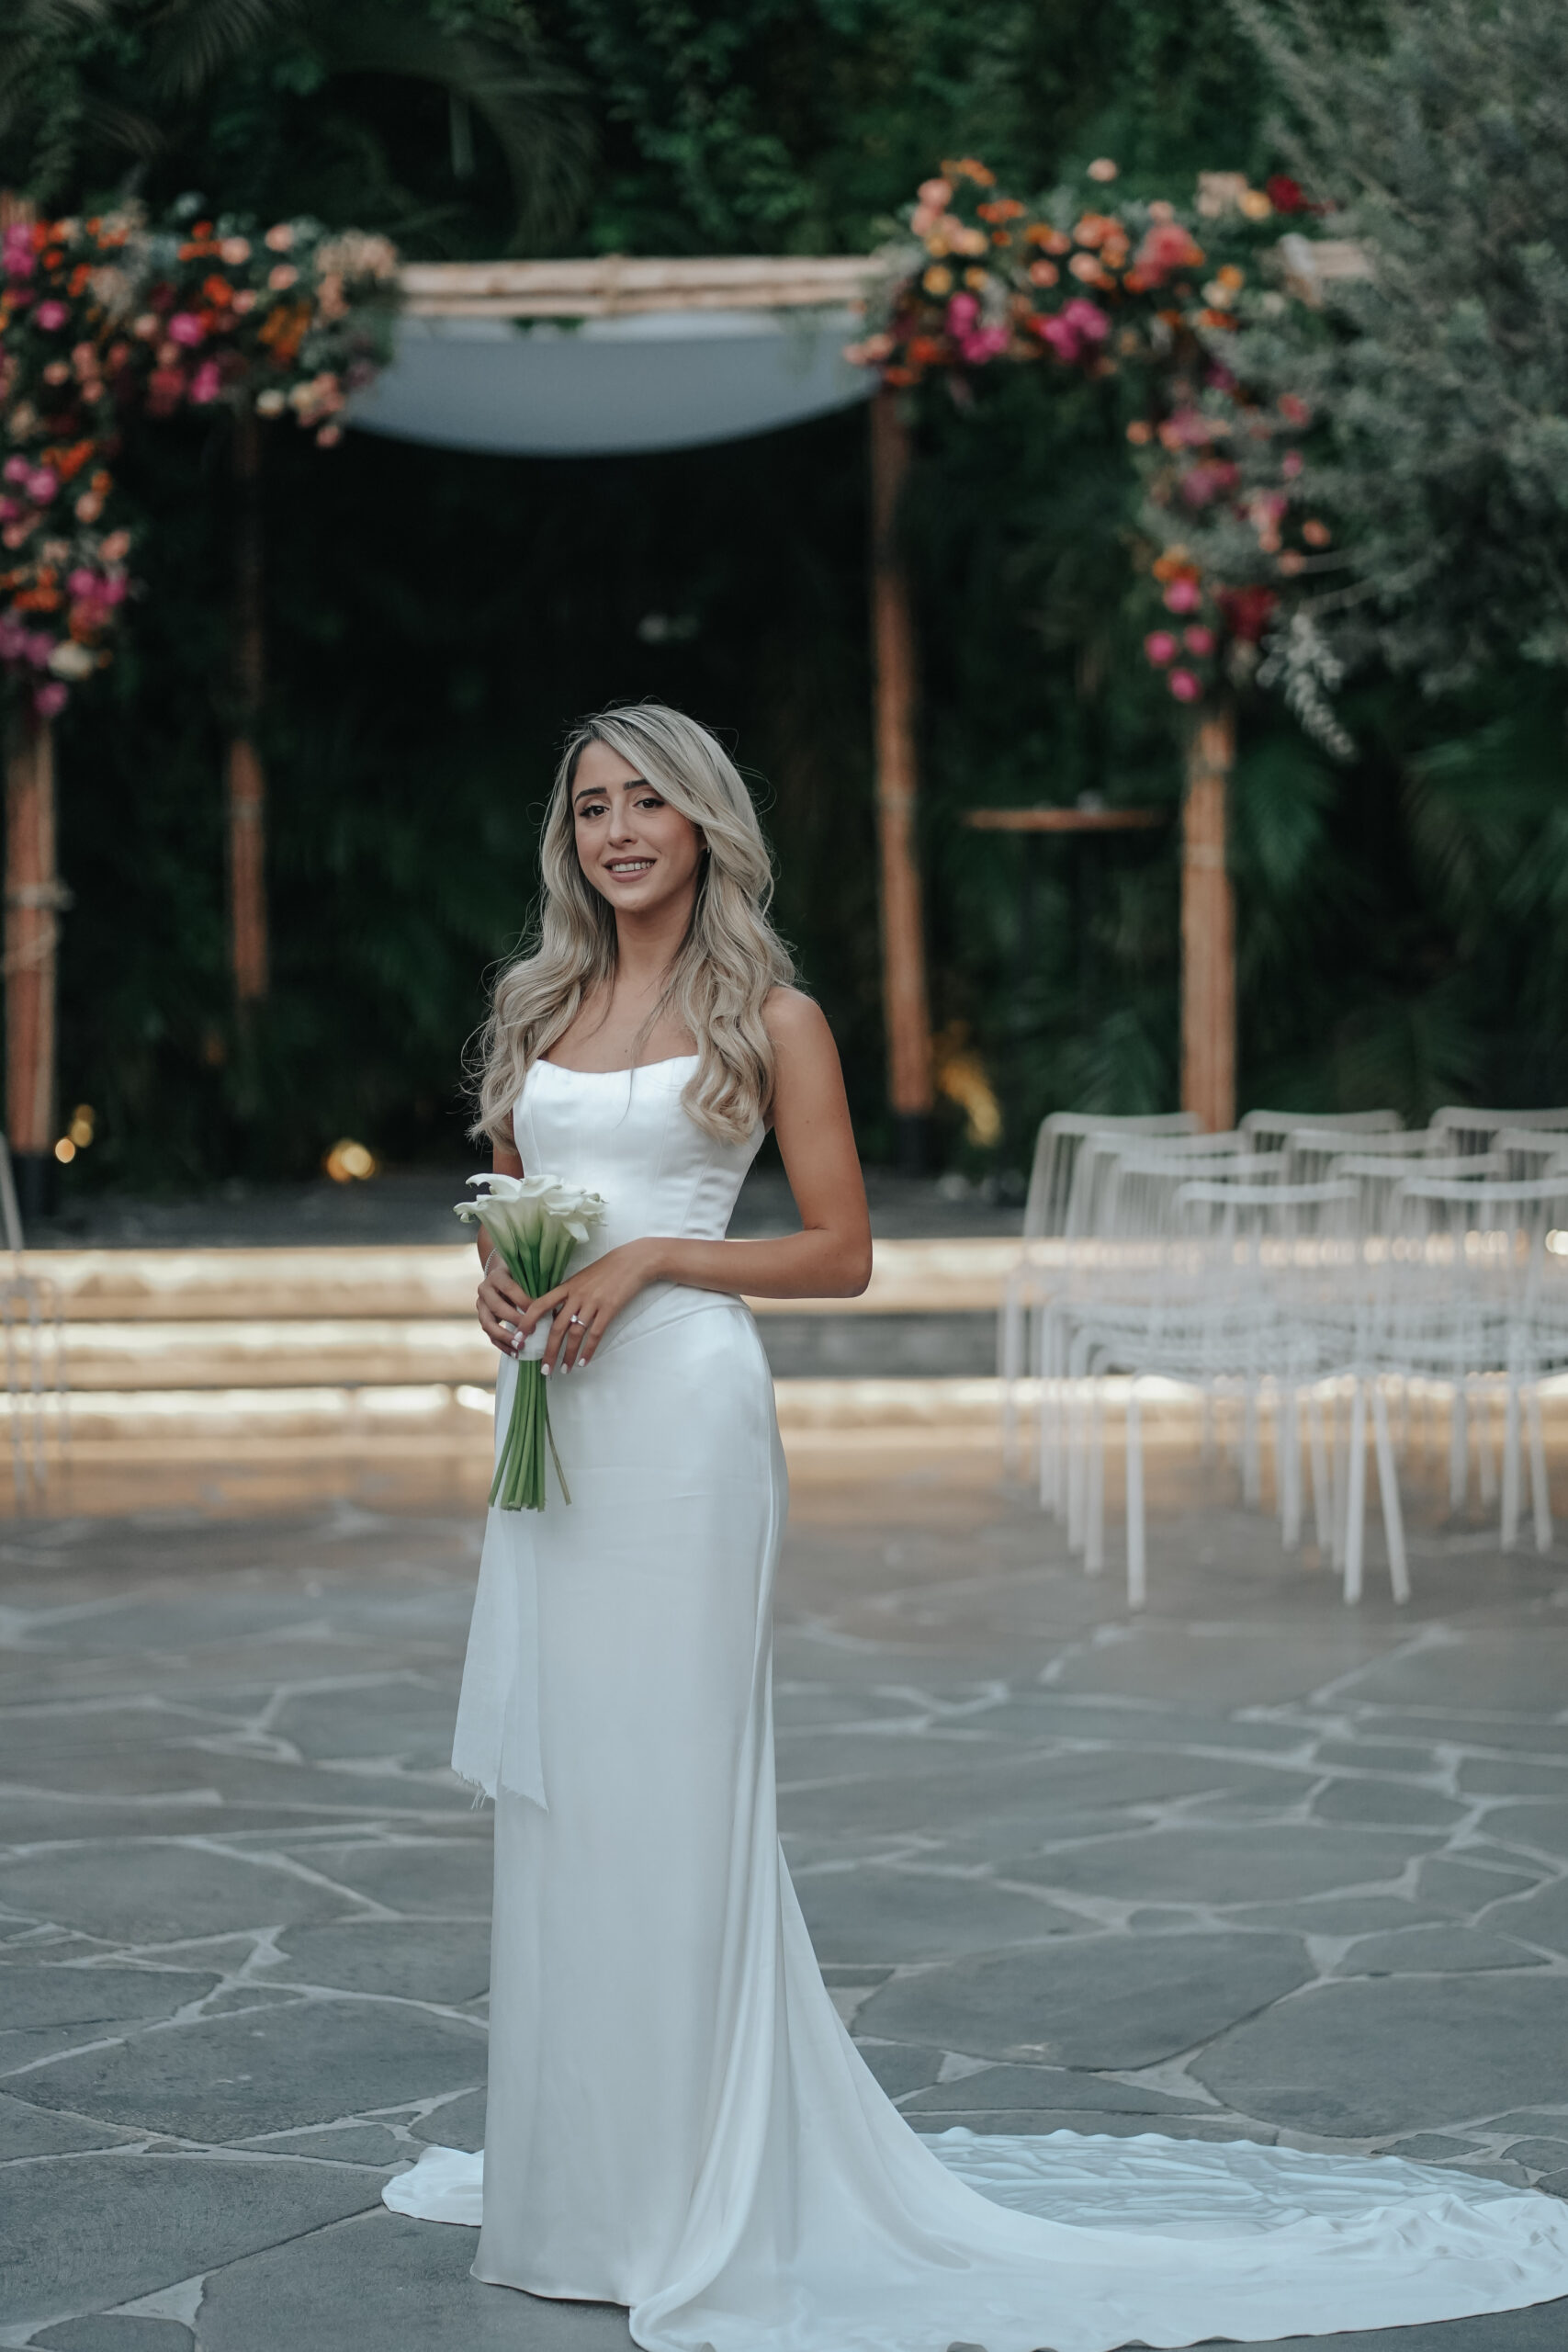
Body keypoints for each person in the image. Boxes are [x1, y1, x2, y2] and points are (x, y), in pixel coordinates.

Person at [386, 704, 1568, 2351]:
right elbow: (512, 1215)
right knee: (569, 1791)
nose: (621, 830)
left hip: (686, 1423)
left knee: (675, 1787)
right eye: (593, 806)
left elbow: (841, 1252)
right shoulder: (538, 1007)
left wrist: (650, 1259)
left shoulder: (771, 1016)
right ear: (567, 837)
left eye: (650, 799)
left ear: (707, 824)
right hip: (560, 1420)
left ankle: (695, 2188)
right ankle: (581, 2188)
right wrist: (503, 1294)